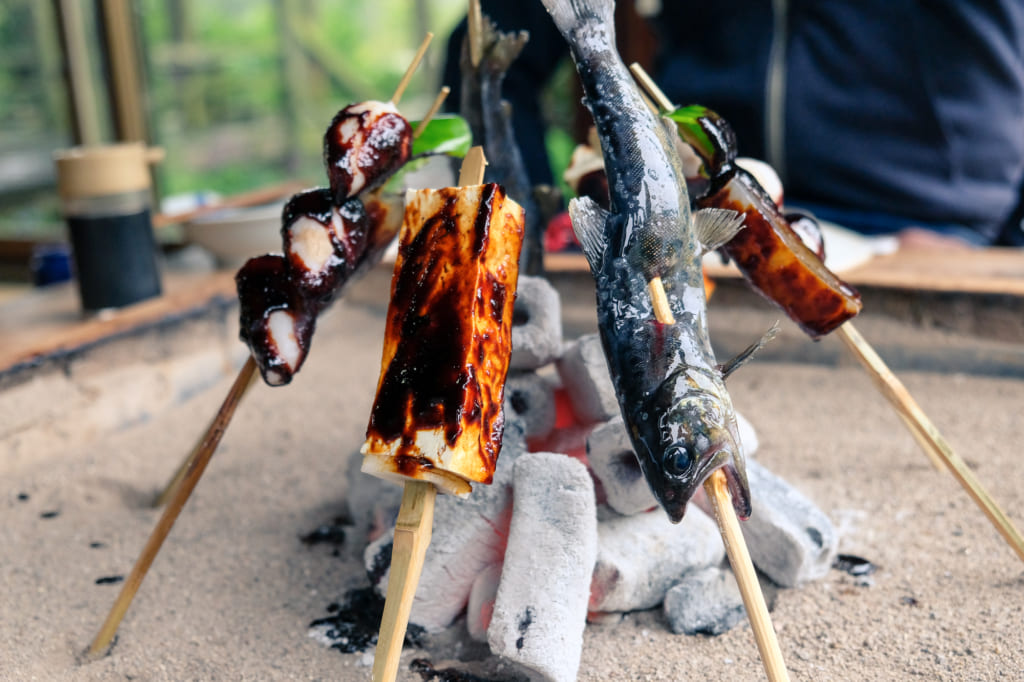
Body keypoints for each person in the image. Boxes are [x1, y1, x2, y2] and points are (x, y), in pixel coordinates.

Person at [444, 1, 1024, 248]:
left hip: (935, 236)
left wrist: (1005, 247)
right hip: (696, 229)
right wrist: (527, 231)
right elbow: (487, 46)